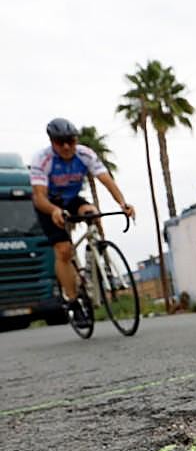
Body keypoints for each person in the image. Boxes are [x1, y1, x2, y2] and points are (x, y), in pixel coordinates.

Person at [30, 118, 136, 319]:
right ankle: (72, 300)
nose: (67, 146)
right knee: (63, 251)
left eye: (71, 140)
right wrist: (53, 210)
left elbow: (106, 180)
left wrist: (123, 203)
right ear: (52, 142)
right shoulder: (42, 159)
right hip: (48, 204)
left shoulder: (85, 154)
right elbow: (39, 196)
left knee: (90, 210)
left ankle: (93, 250)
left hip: (71, 199)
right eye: (61, 142)